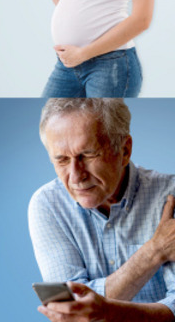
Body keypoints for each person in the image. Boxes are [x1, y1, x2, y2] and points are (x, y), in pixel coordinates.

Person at [29, 98, 175, 320]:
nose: (76, 176)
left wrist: (104, 311)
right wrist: (154, 251)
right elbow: (71, 311)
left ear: (124, 150)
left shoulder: (170, 195)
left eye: (87, 154)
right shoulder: (47, 204)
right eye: (61, 160)